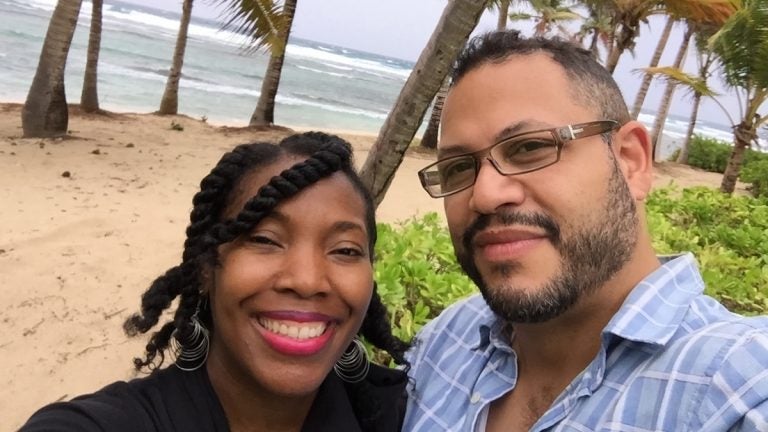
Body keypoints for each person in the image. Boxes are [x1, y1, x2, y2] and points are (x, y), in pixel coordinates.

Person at [405, 31, 768, 431]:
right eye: (458, 167)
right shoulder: (448, 339)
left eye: (529, 148)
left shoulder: (739, 389)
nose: (485, 195)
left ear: (631, 162)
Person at [22, 132, 409, 432]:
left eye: (344, 250)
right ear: (207, 268)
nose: (307, 280)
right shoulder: (115, 423)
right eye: (264, 240)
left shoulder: (407, 414)